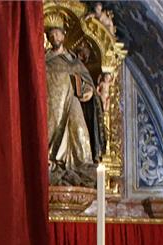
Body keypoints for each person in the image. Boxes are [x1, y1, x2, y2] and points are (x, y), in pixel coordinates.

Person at [46, 24, 105, 185]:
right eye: (51, 35)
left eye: (57, 34)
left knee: (80, 129)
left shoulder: (73, 61)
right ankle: (51, 162)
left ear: (63, 36)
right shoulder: (44, 61)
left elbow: (87, 81)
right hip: (50, 104)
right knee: (50, 131)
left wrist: (88, 91)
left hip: (71, 99)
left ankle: (82, 163)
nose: (54, 37)